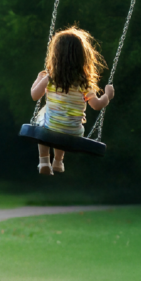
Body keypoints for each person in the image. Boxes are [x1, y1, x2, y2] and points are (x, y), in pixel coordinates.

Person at [30, 26, 114, 175]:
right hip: (74, 132)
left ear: (55, 55)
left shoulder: (50, 78)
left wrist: (38, 79)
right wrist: (107, 96)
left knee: (43, 121)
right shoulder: (84, 83)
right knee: (63, 126)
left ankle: (44, 161)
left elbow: (34, 95)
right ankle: (58, 161)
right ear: (83, 57)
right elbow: (96, 105)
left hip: (51, 127)